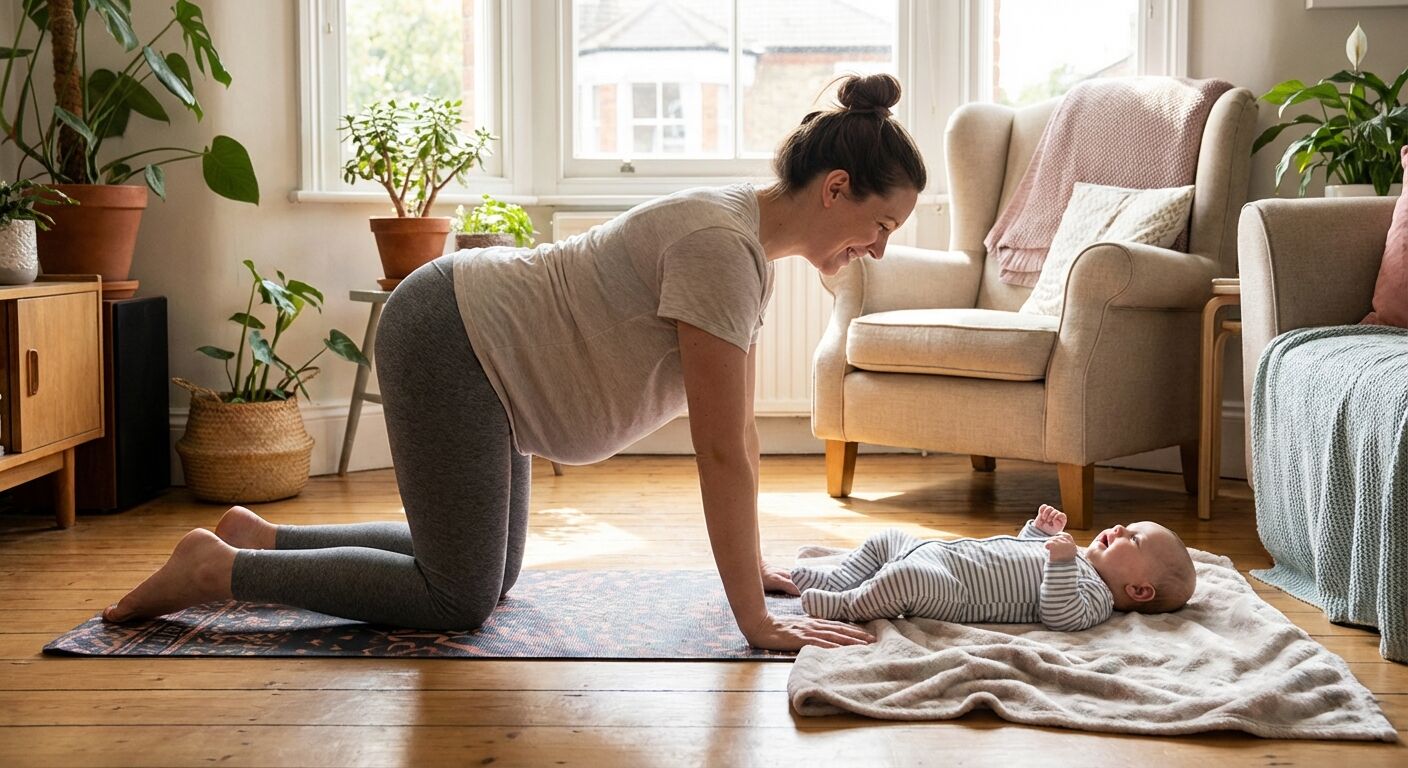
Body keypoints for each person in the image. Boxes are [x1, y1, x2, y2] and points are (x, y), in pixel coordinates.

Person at [101, 73, 927, 652]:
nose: (879, 246)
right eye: (882, 223)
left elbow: (734, 443)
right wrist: (751, 615)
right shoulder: (721, 248)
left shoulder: (738, 246)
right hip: (453, 334)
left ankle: (263, 538)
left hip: (493, 357)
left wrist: (754, 570)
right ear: (836, 187)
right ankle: (221, 569)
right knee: (454, 597)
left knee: (489, 576)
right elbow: (721, 452)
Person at [791, 504, 1197, 630]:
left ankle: (847, 605)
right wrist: (1037, 532)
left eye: (1135, 538)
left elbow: (1060, 615)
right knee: (887, 539)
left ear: (1139, 590)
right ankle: (839, 576)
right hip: (941, 552)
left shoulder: (1095, 598)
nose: (1121, 527)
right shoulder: (1069, 554)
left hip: (954, 590)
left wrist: (1060, 563)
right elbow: (1019, 554)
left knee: (902, 579)